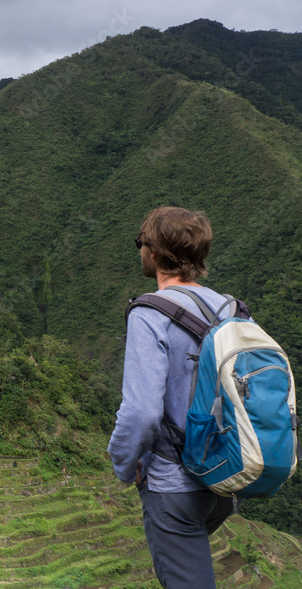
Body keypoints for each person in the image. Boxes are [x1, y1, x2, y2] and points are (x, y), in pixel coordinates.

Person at [108, 206, 235, 589]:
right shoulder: (229, 308)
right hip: (226, 478)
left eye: (141, 243)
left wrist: (122, 463)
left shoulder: (148, 312)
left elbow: (143, 412)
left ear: (154, 253)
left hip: (174, 483)